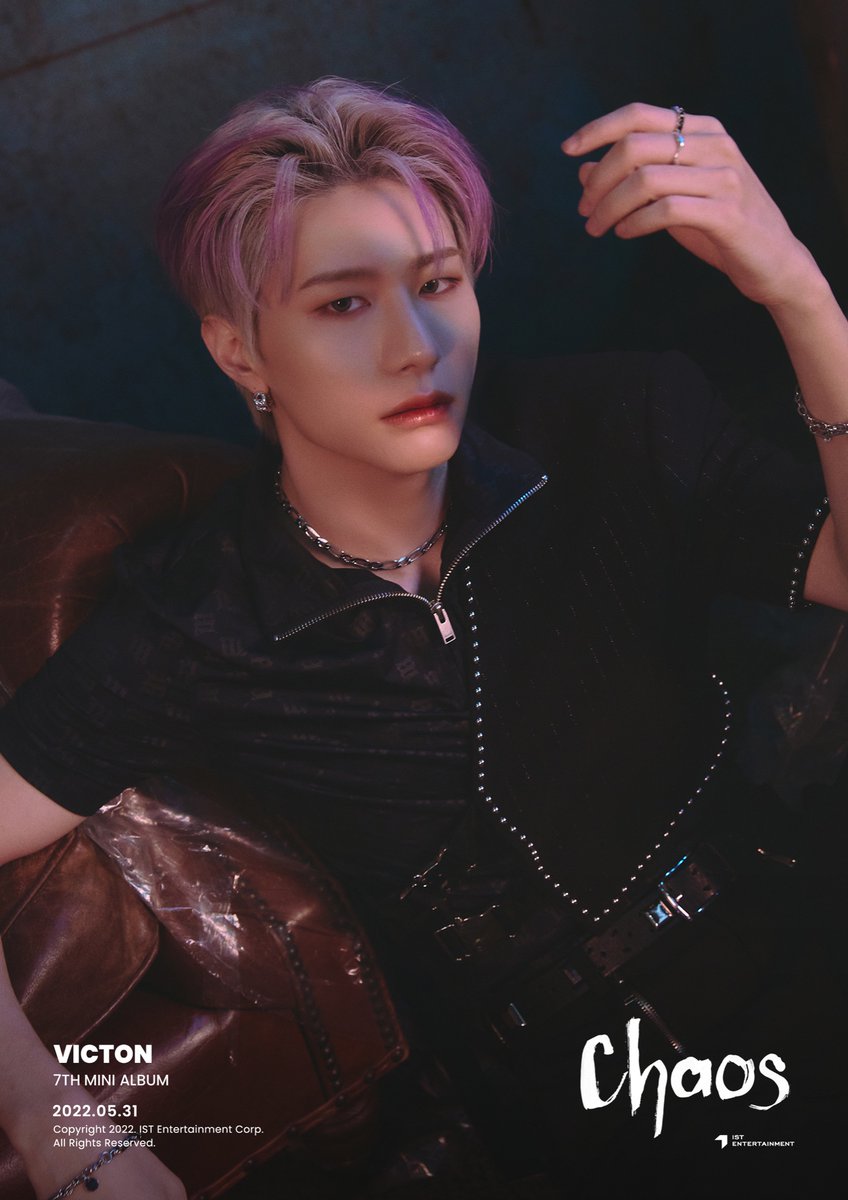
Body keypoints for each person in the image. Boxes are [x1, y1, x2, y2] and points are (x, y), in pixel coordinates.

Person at [1, 77, 847, 1199]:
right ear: (239, 352)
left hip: (802, 952)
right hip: (579, 1111)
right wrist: (60, 1124)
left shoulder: (615, 423)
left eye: (439, 283)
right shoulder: (202, 614)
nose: (416, 346)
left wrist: (796, 290)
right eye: (343, 304)